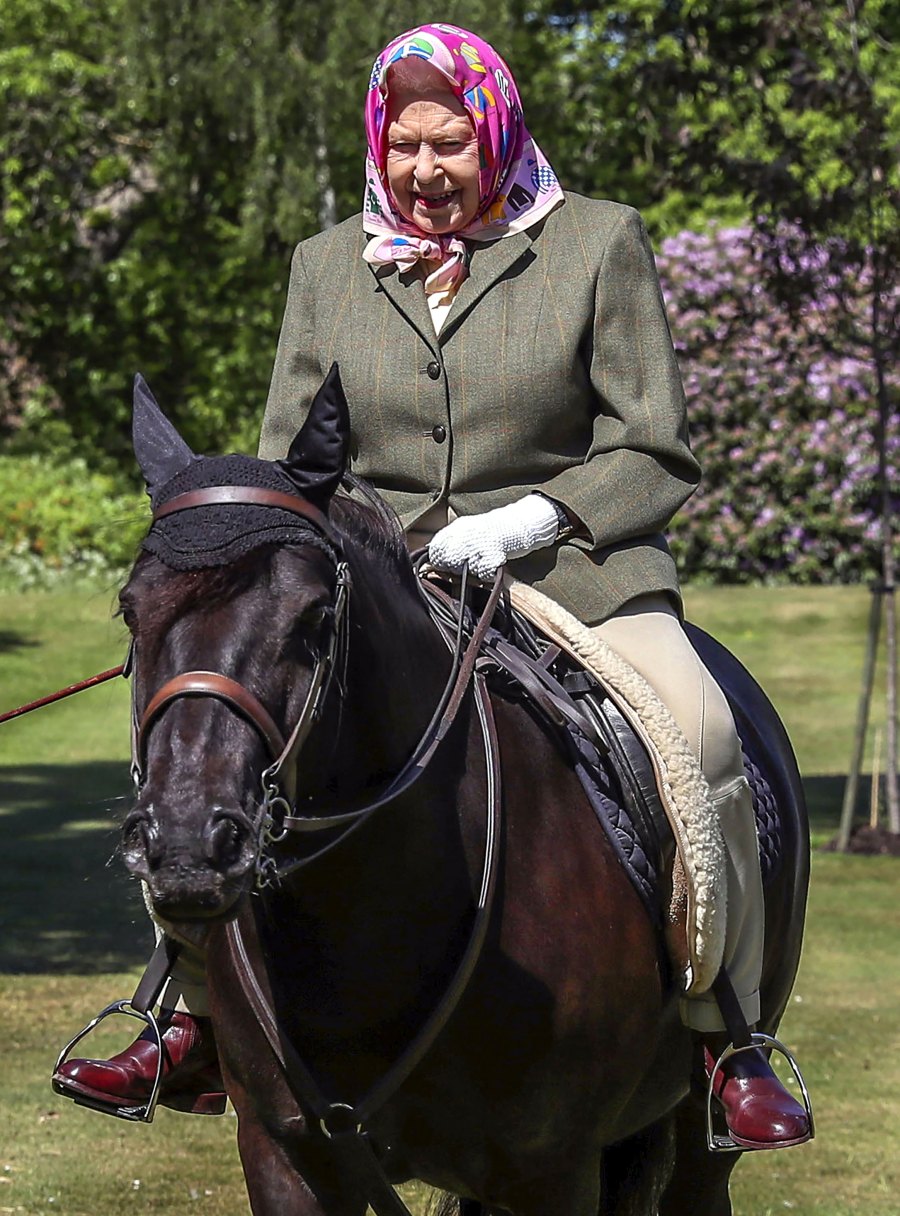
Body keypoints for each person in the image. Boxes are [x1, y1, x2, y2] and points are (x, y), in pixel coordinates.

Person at [54, 23, 810, 1151]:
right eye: (404, 147)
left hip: (575, 571)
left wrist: (534, 518)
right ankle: (191, 1013)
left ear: (494, 130)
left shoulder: (596, 244)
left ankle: (726, 1034)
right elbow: (287, 467)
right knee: (231, 742)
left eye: (449, 144)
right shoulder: (326, 265)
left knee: (700, 731)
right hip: (379, 584)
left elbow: (653, 448)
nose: (424, 171)